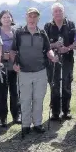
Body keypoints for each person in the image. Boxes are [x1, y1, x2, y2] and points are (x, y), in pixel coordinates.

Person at [11, 7, 59, 135]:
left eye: (34, 16)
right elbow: (13, 51)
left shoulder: (42, 33)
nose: (32, 19)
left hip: (40, 71)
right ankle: (25, 125)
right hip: (24, 72)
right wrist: (14, 63)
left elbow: (48, 49)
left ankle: (37, 123)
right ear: (26, 17)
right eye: (30, 16)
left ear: (38, 18)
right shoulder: (19, 33)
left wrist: (52, 56)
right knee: (25, 99)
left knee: (38, 98)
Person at [44, 2, 76, 121]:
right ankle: (55, 112)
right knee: (54, 85)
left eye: (60, 11)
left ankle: (66, 111)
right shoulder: (47, 26)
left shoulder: (70, 24)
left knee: (66, 85)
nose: (58, 13)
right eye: (55, 11)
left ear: (64, 12)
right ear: (52, 13)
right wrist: (54, 45)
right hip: (52, 61)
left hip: (68, 59)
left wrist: (67, 48)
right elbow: (44, 44)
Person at [0, 10, 22, 127]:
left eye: (8, 17)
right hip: (0, 68)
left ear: (12, 19)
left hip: (14, 67)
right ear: (0, 20)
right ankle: (2, 118)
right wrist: (2, 56)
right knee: (2, 93)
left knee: (15, 92)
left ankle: (16, 115)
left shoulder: (17, 33)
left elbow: (20, 48)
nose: (6, 19)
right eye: (4, 17)